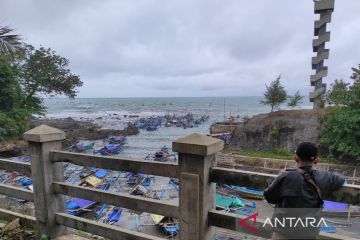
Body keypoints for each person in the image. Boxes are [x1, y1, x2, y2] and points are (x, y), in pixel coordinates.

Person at [264, 142, 345, 239]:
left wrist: (279, 177)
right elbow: (341, 179)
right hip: (308, 233)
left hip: (283, 231)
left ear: (296, 158)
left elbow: (269, 197)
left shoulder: (286, 176)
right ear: (316, 160)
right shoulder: (325, 177)